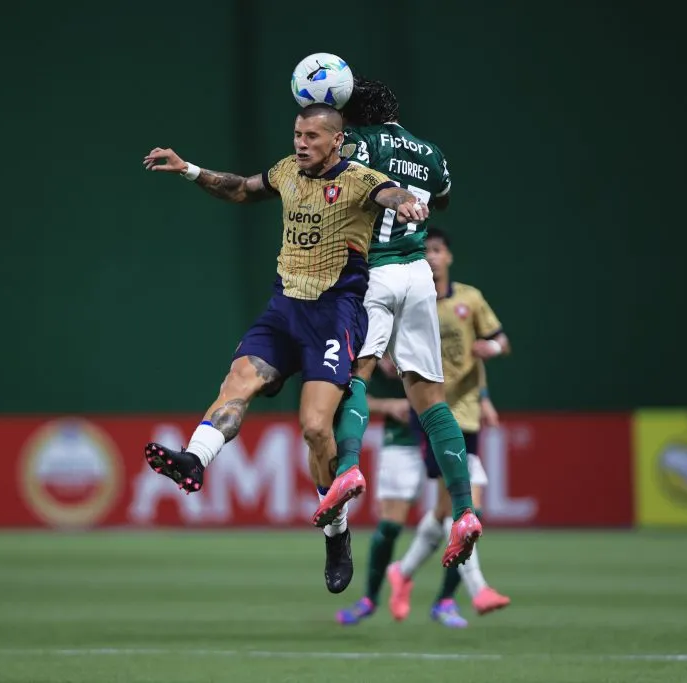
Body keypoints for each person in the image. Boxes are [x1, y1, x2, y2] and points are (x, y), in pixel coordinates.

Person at [141, 103, 428, 594]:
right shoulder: (285, 172)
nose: (301, 143)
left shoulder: (359, 179)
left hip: (334, 315)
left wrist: (404, 201)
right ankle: (195, 460)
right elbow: (241, 188)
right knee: (237, 382)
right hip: (283, 311)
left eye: (312, 136)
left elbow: (388, 191)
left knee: (315, 428)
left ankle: (336, 535)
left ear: (336, 140)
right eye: (297, 133)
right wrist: (189, 169)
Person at [326, 77, 482, 569]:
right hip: (418, 275)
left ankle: (348, 468)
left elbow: (335, 181)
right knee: (431, 399)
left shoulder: (359, 141)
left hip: (374, 269)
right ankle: (464, 512)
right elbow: (444, 196)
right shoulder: (429, 151)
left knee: (356, 375)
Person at [337, 226, 512, 627]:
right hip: (423, 418)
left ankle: (432, 590)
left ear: (448, 256)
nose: (431, 257)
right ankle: (404, 592)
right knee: (435, 513)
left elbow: (484, 348)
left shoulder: (468, 300)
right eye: (426, 249)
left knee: (457, 509)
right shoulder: (398, 297)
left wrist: (486, 390)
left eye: (437, 250)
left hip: (464, 413)